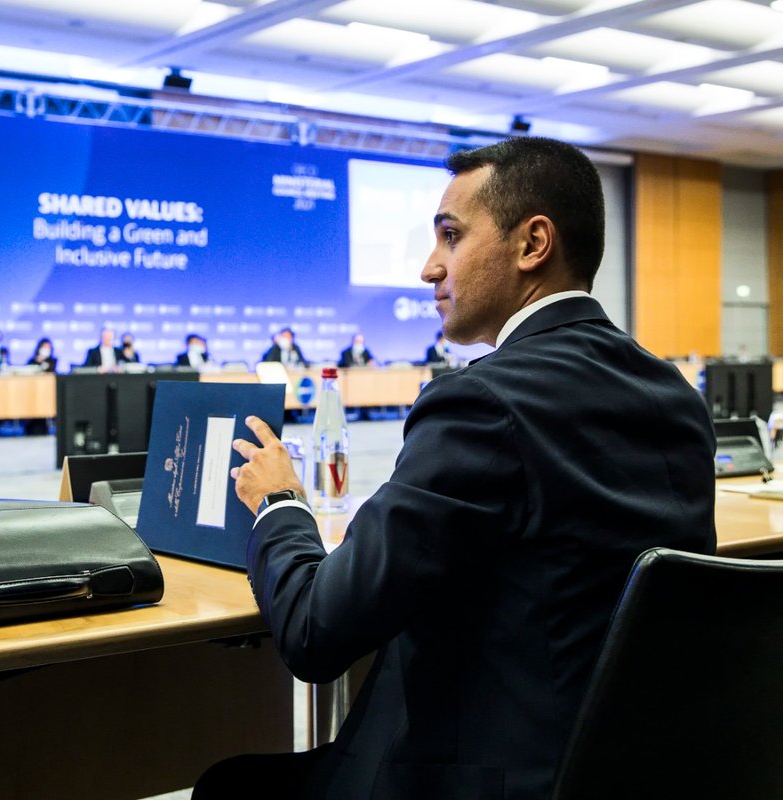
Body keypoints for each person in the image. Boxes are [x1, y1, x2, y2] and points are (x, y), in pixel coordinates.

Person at [196, 137, 716, 799]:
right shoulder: (674, 394)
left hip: (483, 779)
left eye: (450, 236)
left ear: (533, 245)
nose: (427, 269)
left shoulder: (479, 402)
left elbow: (314, 632)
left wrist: (280, 504)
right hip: (635, 771)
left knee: (229, 787)